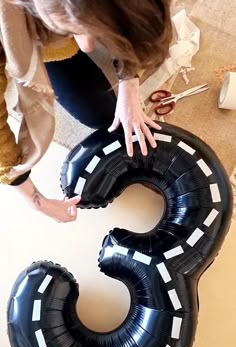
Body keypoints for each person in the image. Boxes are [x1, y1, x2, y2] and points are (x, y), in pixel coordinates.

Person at [0, 0, 172, 222]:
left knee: (116, 111)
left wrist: (129, 86)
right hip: (34, 34)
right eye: (77, 29)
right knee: (100, 114)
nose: (88, 46)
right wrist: (38, 202)